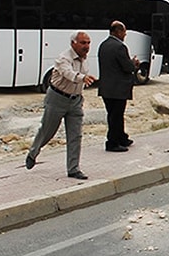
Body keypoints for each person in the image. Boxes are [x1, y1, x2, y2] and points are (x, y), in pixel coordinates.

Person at [26, 31, 97, 179]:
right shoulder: (63, 58)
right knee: (47, 131)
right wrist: (83, 78)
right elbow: (68, 74)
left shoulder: (85, 59)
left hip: (75, 101)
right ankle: (33, 152)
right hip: (57, 99)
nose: (86, 46)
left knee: (75, 136)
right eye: (83, 43)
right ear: (73, 43)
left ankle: (73, 169)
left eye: (88, 43)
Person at [98, 21, 139, 152]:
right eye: (124, 32)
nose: (125, 35)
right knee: (116, 116)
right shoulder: (120, 47)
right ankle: (113, 142)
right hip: (118, 88)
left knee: (113, 114)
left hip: (106, 87)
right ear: (118, 32)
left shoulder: (103, 45)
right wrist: (134, 64)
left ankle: (122, 137)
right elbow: (127, 67)